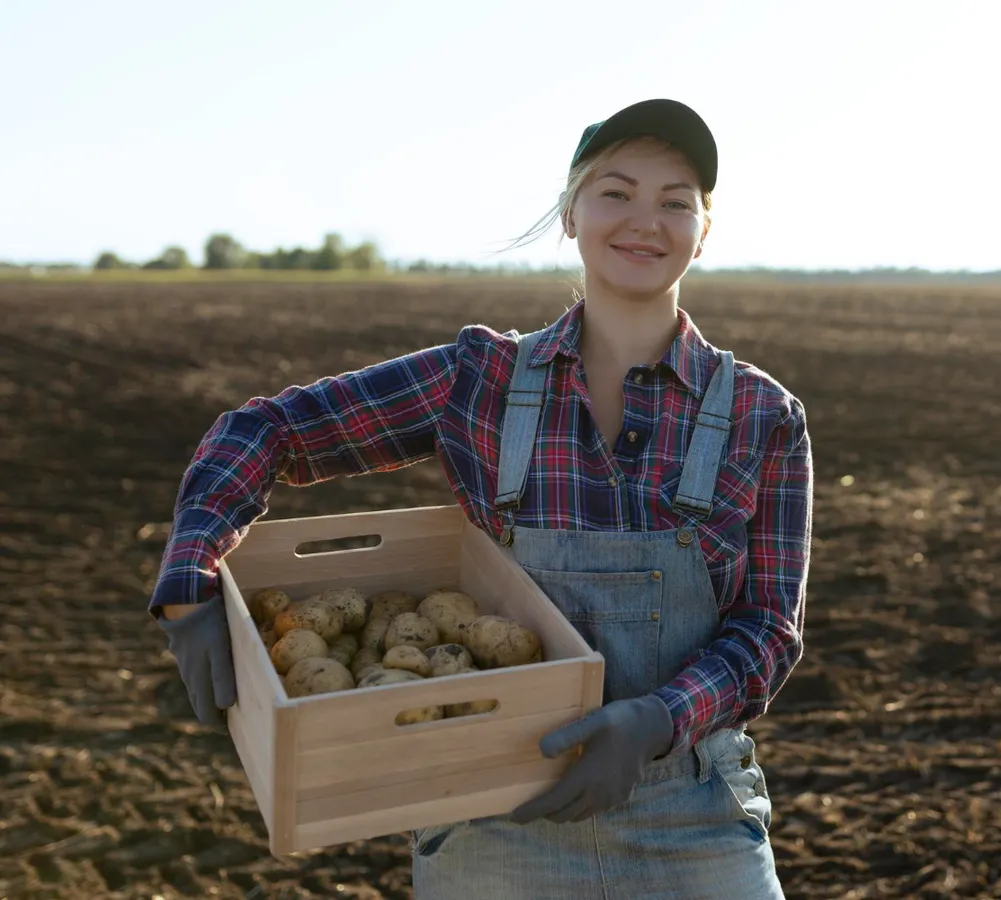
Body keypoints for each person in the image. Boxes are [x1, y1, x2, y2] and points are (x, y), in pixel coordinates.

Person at [149, 98, 812, 899]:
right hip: (491, 823)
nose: (646, 220)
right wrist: (189, 580)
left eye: (676, 202)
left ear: (703, 231)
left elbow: (768, 628)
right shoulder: (480, 381)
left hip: (694, 820)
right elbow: (265, 432)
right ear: (570, 213)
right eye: (616, 192)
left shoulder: (761, 415)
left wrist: (659, 719)